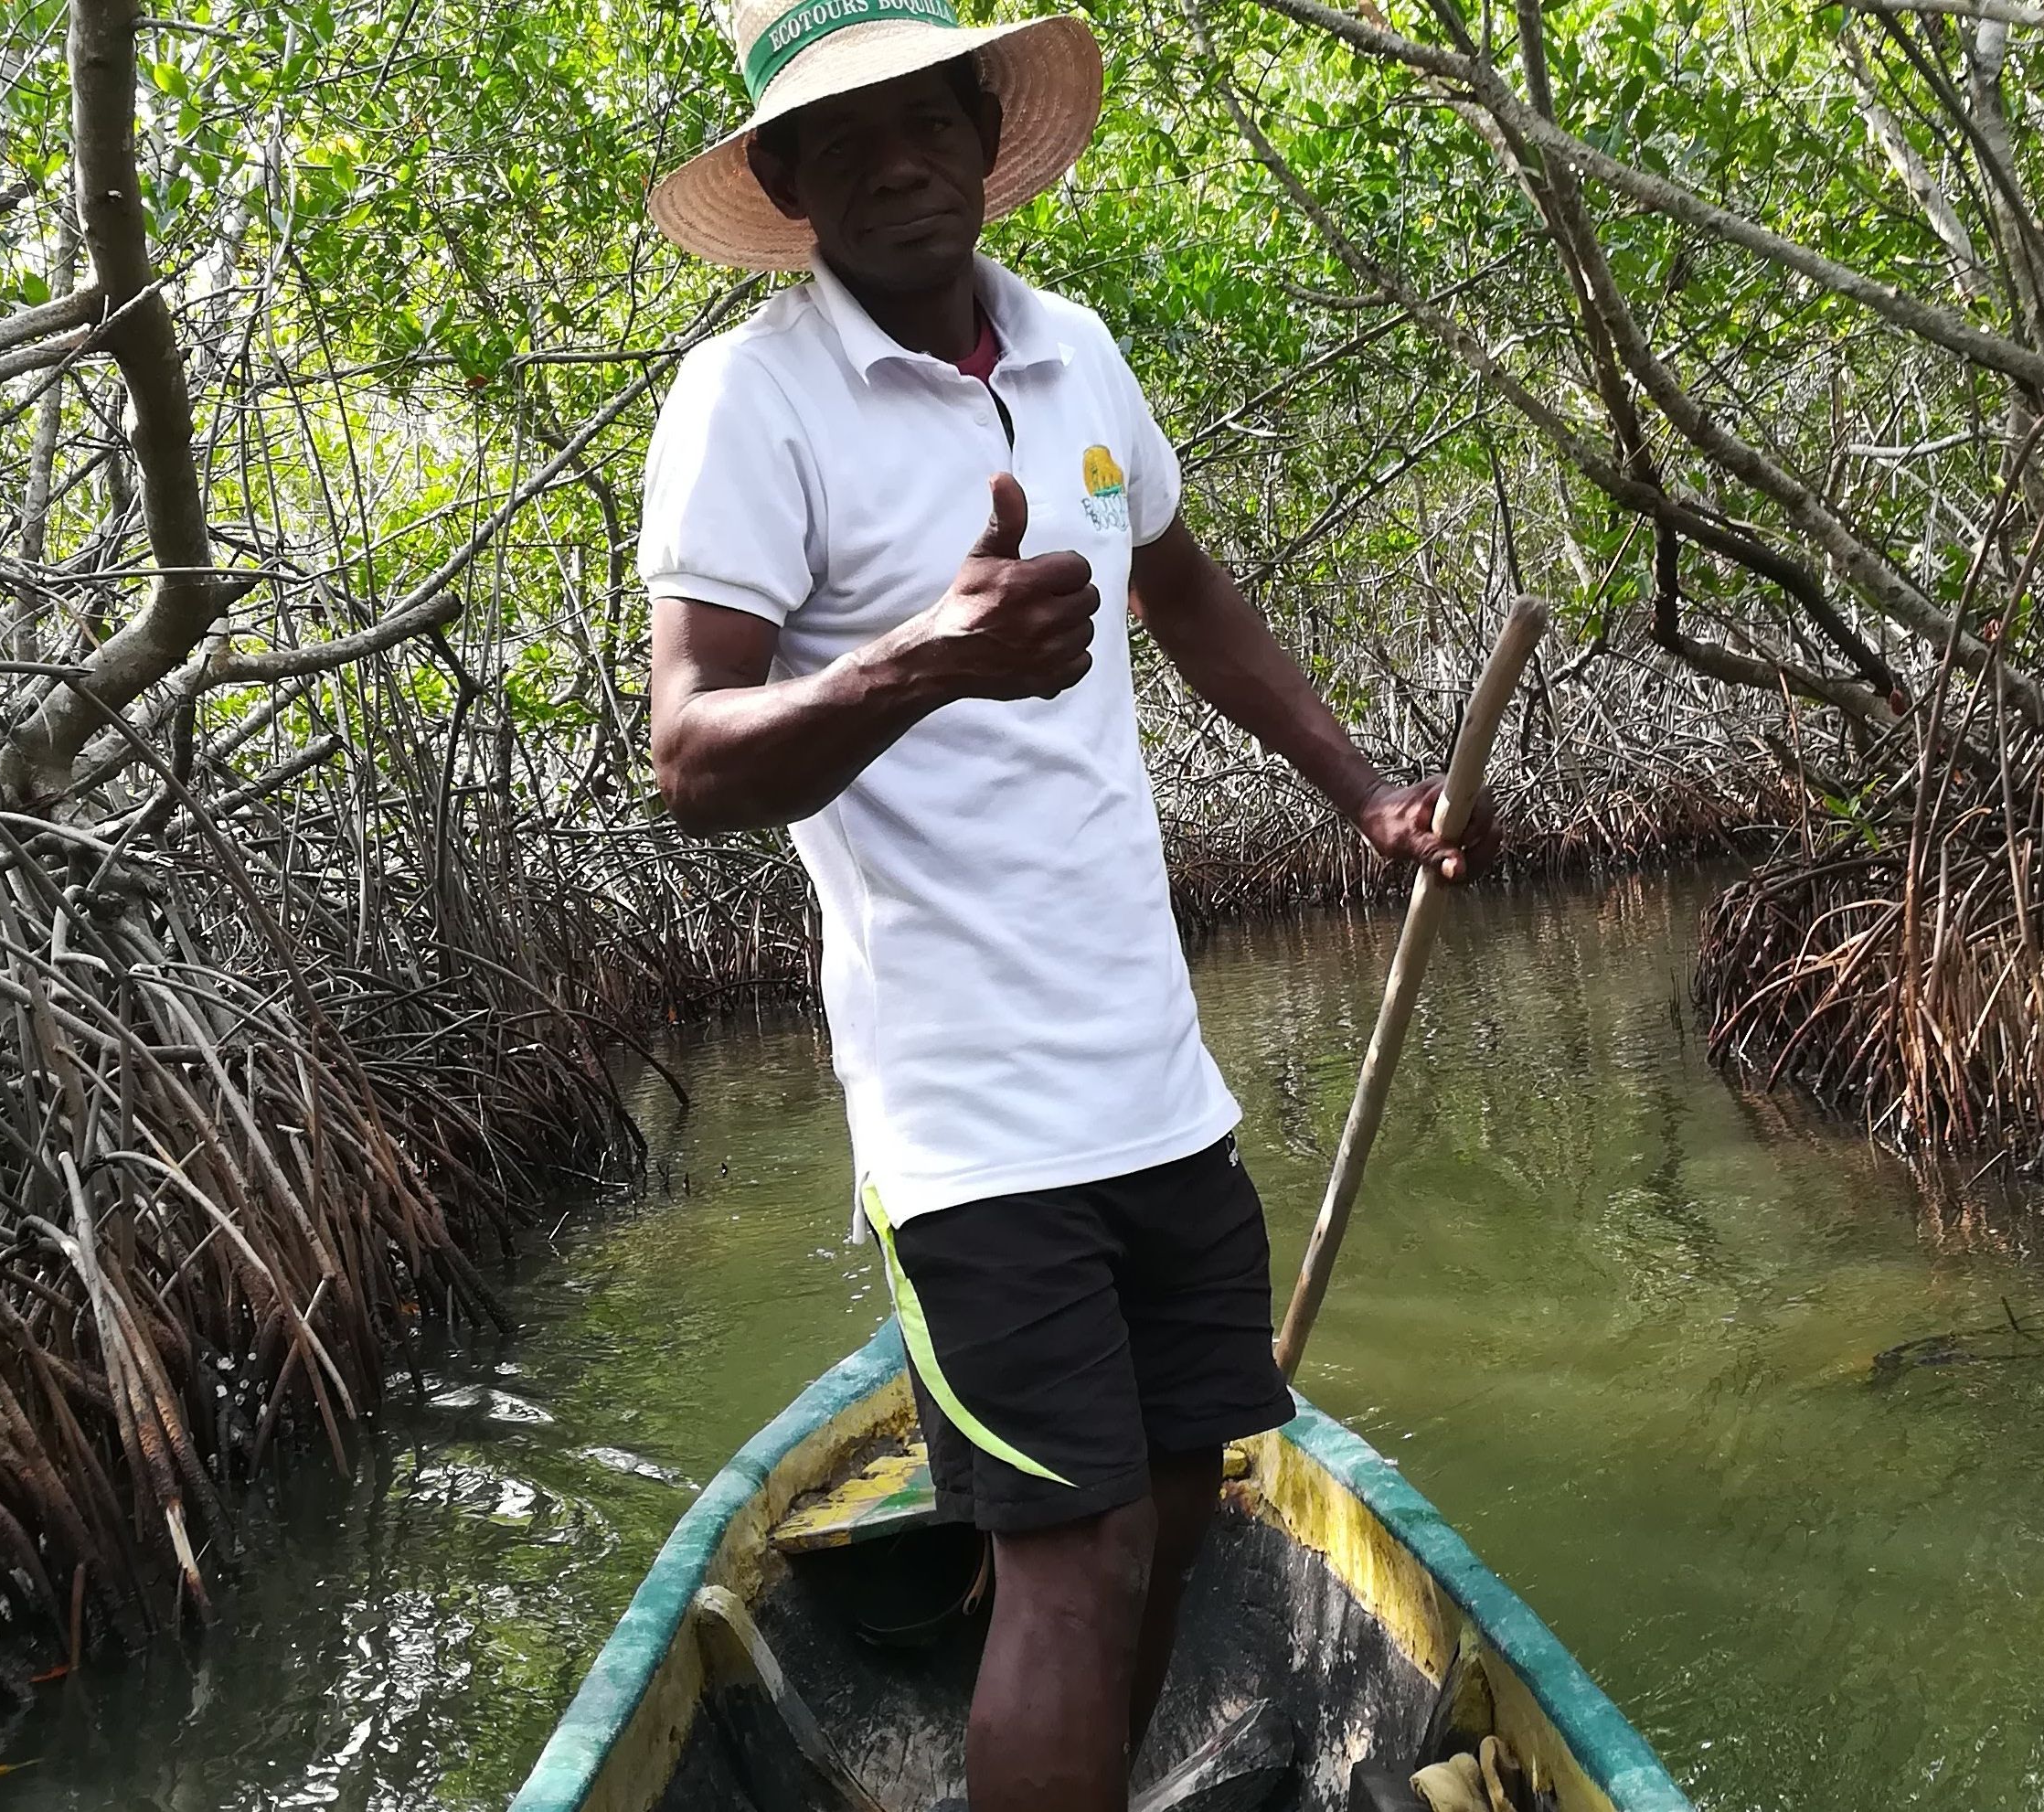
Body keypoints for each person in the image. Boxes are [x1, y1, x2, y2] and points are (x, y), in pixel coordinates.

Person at [637, 3, 1496, 1807]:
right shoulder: (748, 400)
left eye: (924, 115)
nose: (895, 158)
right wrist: (925, 659)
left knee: (1180, 1493)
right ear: (782, 182)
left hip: (1153, 1081)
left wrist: (1363, 791)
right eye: (842, 134)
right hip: (967, 1120)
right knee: (1074, 1548)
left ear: (981, 130)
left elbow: (1187, 593)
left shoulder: (1074, 352)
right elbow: (692, 760)